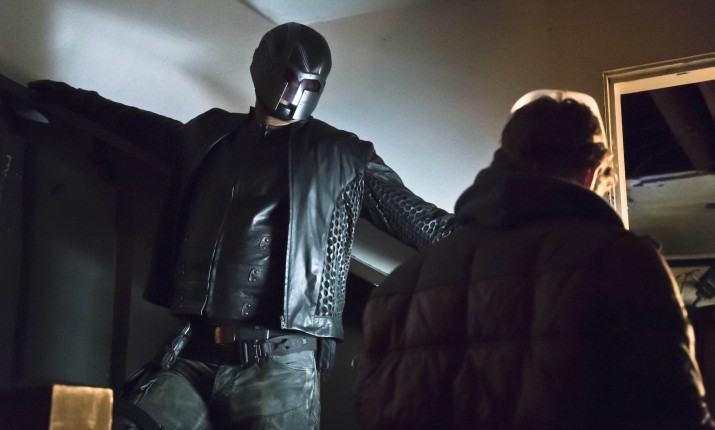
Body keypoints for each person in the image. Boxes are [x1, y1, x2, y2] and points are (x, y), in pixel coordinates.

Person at [29, 22, 454, 429]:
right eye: (287, 76)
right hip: (193, 352)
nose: (294, 91)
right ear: (262, 67)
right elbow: (134, 124)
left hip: (279, 366)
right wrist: (63, 96)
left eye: (308, 83)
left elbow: (427, 224)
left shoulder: (342, 157)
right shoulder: (209, 135)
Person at [353, 90, 715, 429]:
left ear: (505, 160)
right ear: (591, 173)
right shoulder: (624, 262)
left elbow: (373, 412)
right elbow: (676, 412)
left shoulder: (400, 286)